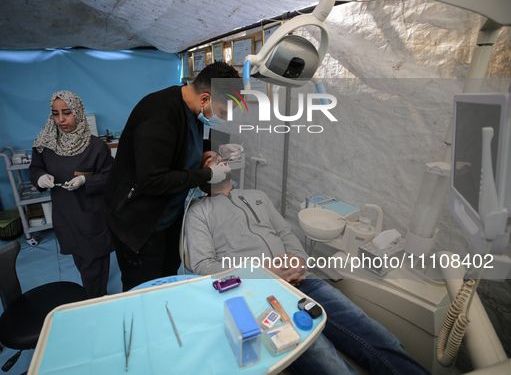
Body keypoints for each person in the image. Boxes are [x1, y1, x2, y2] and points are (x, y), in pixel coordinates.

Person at [184, 150, 431, 375]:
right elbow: (204, 266)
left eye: (219, 156)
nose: (219, 158)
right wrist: (262, 272)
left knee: (378, 337)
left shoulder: (257, 195)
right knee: (328, 363)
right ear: (203, 174)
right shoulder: (199, 212)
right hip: (260, 296)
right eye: (209, 159)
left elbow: (285, 233)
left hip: (304, 282)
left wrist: (300, 261)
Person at [104, 61, 244, 291]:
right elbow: (152, 180)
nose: (224, 119)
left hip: (168, 217)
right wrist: (207, 173)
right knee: (144, 288)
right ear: (205, 98)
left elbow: (183, 146)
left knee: (168, 280)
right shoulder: (159, 114)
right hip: (139, 221)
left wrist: (214, 150)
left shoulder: (192, 109)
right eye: (222, 112)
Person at [30, 90, 114, 299]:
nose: (61, 120)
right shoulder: (45, 144)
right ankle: (95, 298)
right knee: (82, 262)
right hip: (65, 215)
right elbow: (35, 168)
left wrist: (87, 180)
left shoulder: (96, 146)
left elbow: (111, 176)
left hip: (91, 217)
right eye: (55, 113)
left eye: (66, 113)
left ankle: (97, 302)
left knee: (95, 267)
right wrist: (40, 177)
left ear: (78, 112)